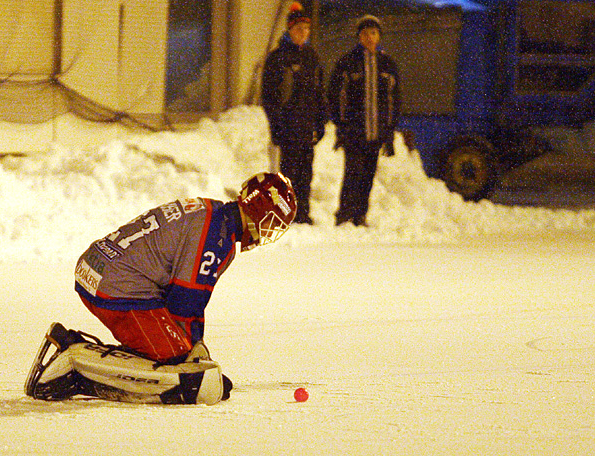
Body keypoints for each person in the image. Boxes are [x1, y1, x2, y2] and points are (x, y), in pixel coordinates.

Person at [25, 172, 297, 405]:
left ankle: (82, 355)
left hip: (100, 269)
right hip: (118, 286)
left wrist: (195, 347)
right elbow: (185, 302)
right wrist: (191, 355)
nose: (270, 232)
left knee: (185, 362)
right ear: (257, 209)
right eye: (272, 222)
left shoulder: (212, 212)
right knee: (183, 377)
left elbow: (185, 299)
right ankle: (76, 363)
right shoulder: (218, 236)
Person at [327, 14, 402, 227]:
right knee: (352, 174)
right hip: (354, 132)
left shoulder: (387, 64)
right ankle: (344, 215)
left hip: (376, 132)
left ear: (379, 36)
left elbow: (394, 99)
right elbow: (335, 96)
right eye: (365, 33)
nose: (369, 37)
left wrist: (389, 132)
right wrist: (341, 127)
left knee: (368, 175)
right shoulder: (347, 63)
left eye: (373, 33)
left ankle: (361, 215)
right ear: (359, 37)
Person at [261, 2, 327, 225]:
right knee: (287, 173)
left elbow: (319, 92)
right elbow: (268, 96)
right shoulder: (277, 58)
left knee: (306, 172)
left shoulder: (312, 56)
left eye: (307, 30)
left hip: (307, 126)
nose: (304, 34)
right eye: (299, 29)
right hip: (287, 126)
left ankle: (303, 212)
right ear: (289, 30)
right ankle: (284, 213)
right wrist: (276, 125)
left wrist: (321, 121)